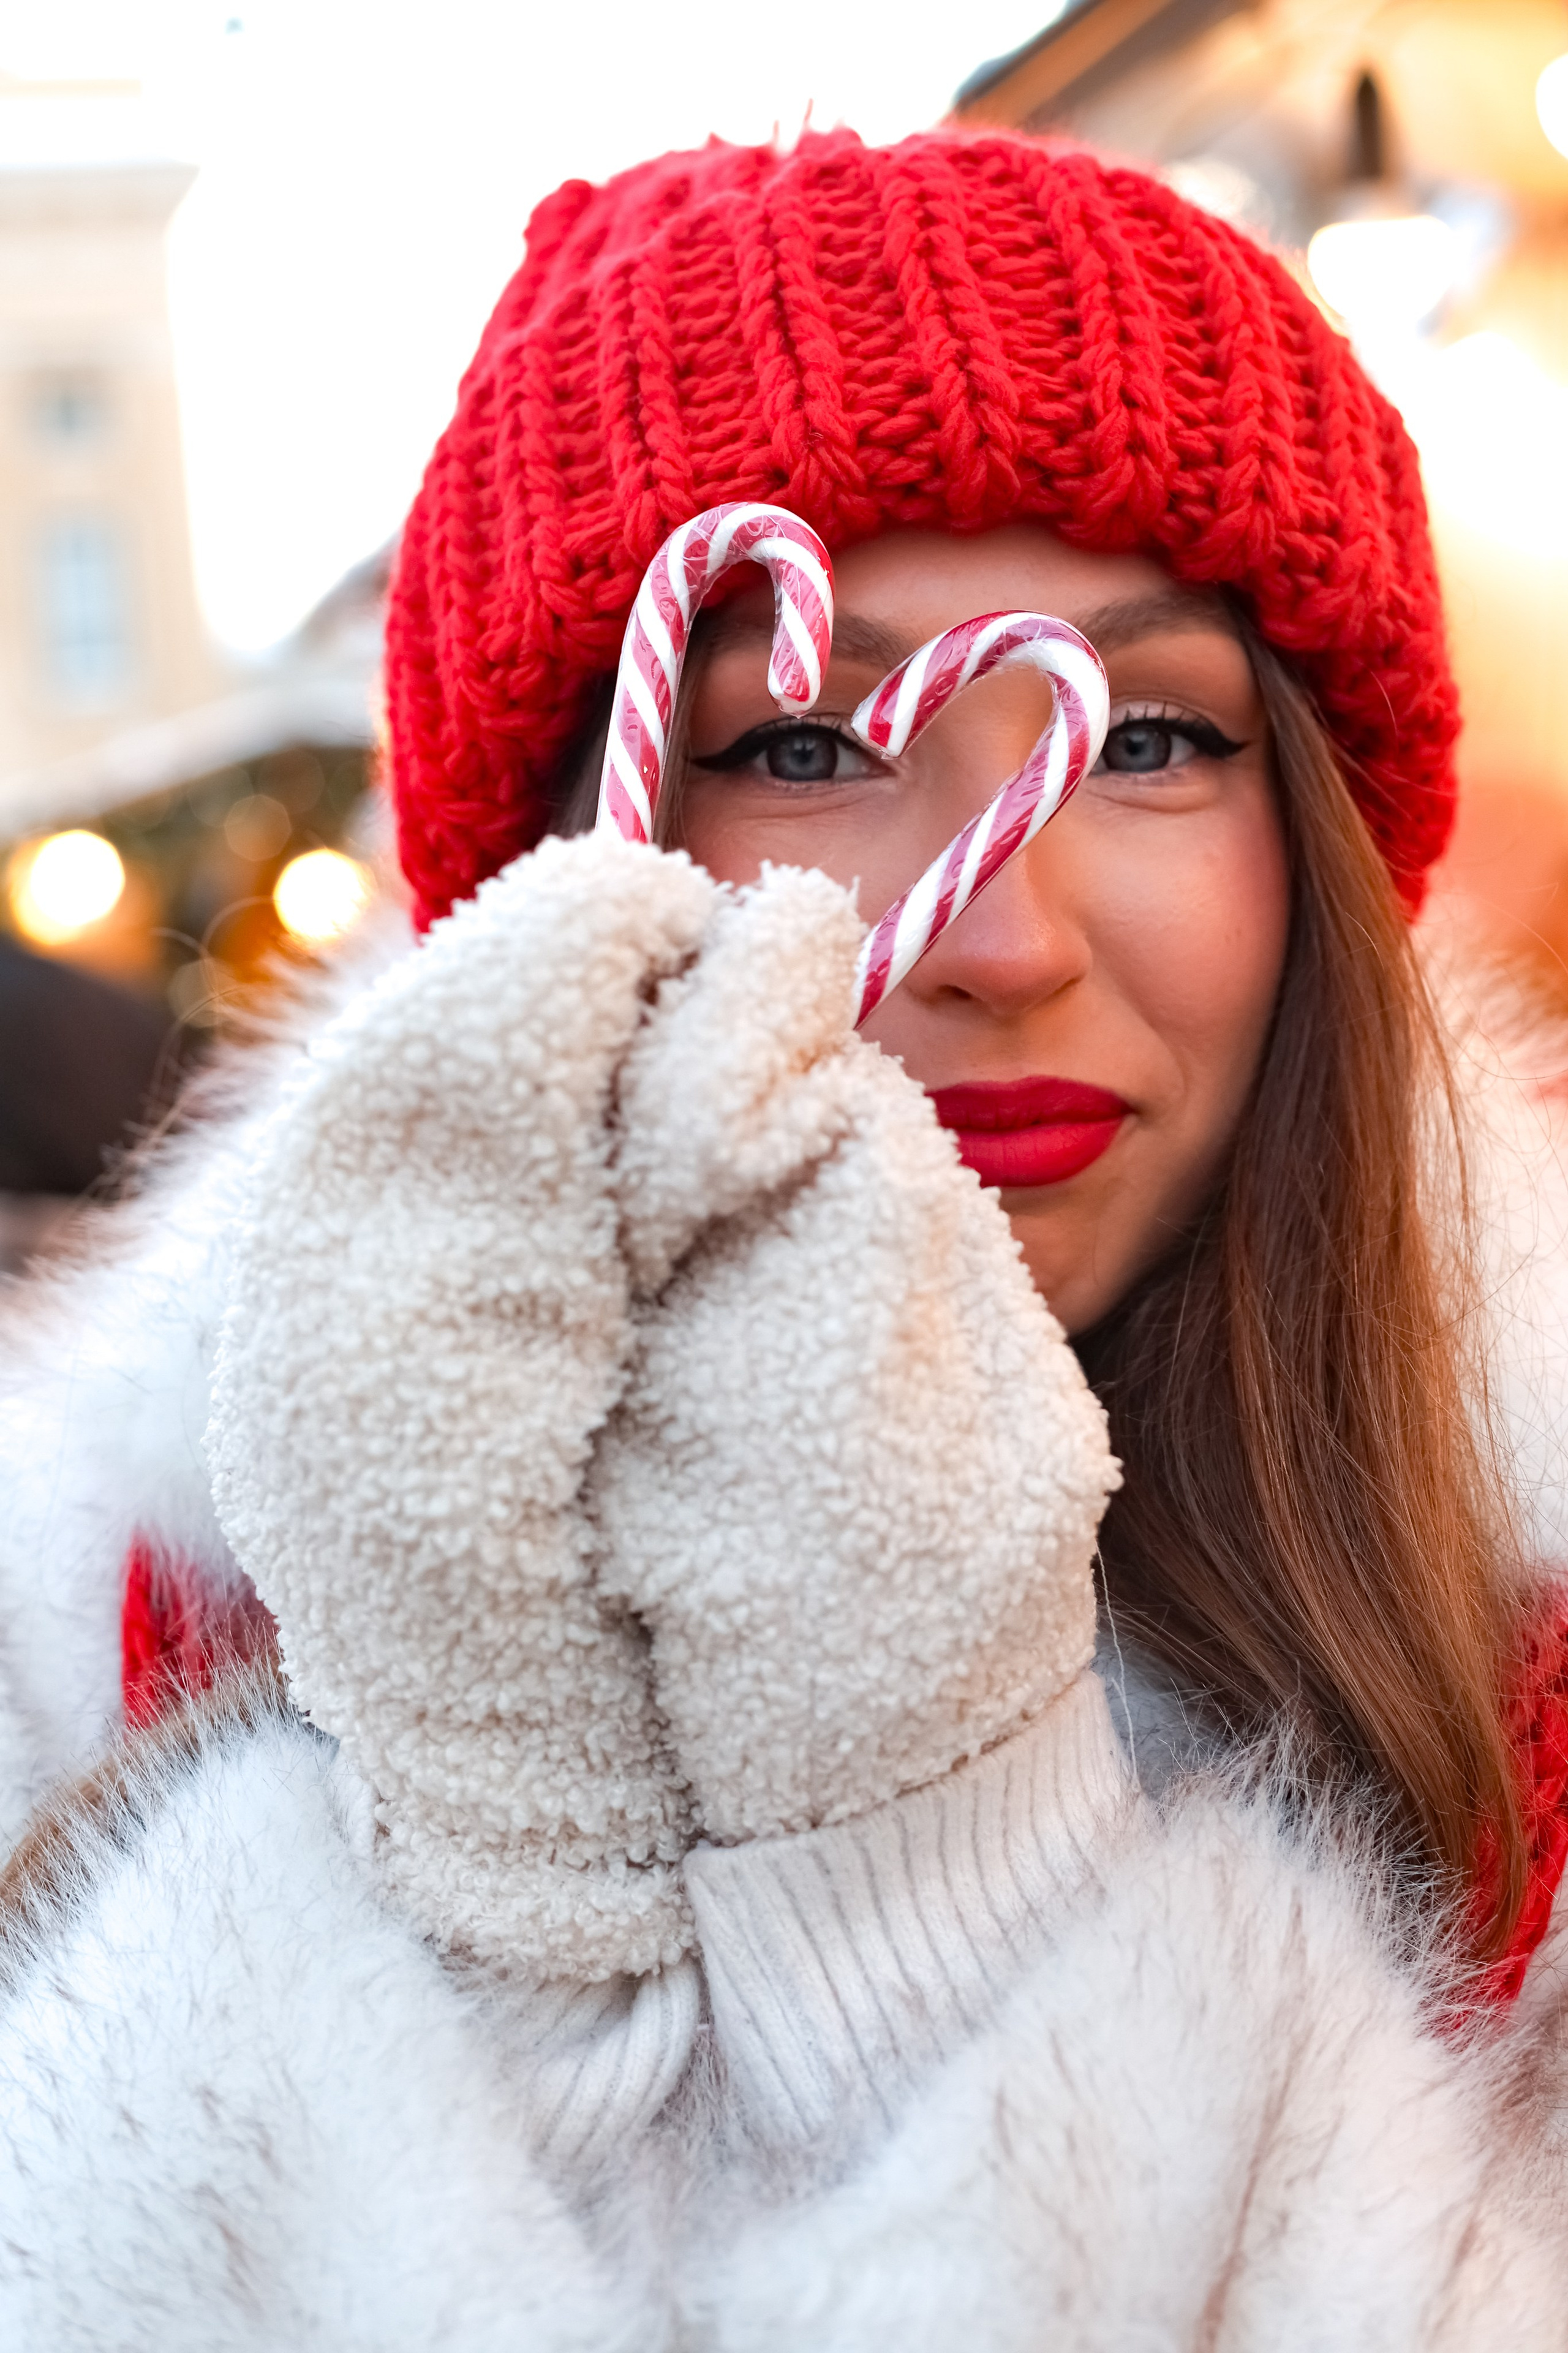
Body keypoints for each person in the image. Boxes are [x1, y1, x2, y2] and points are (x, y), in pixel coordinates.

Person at [1, 125, 1567, 2347]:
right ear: (563, 861)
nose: (1002, 934)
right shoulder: (111, 1632)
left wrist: (935, 1875)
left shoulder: (1528, 1680)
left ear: (1308, 832)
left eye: (1146, 736)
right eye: (810, 746)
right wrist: (504, 1937)